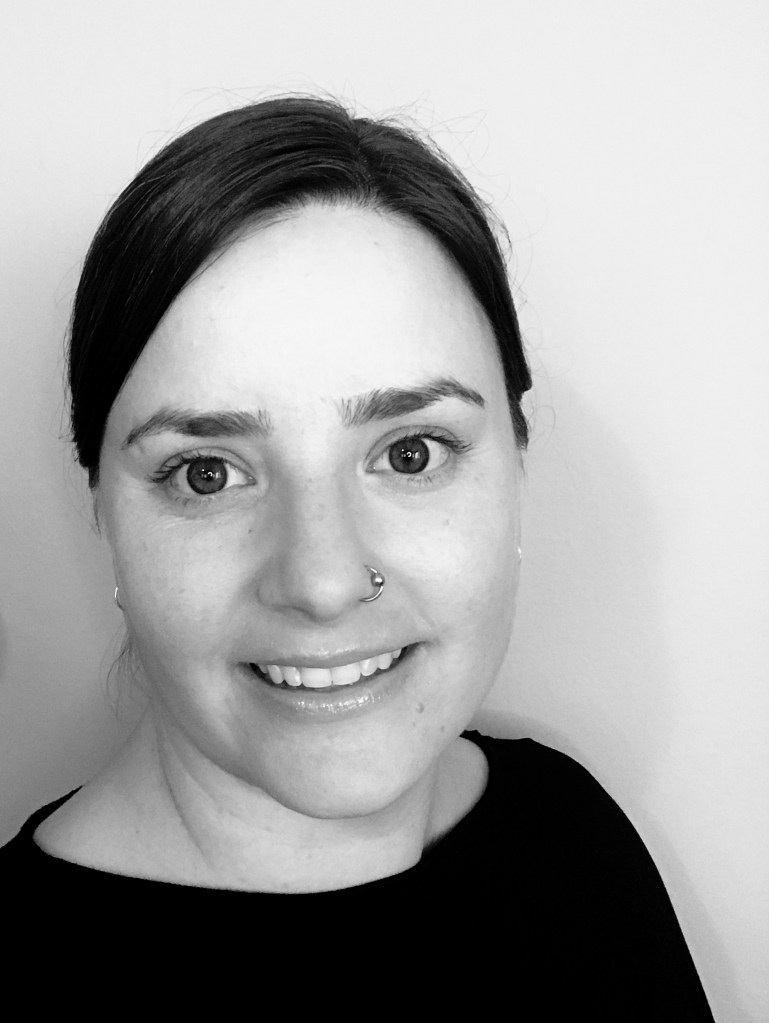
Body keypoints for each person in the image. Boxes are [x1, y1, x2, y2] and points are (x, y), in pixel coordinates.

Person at [1, 95, 713, 1016]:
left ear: (516, 465)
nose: (324, 582)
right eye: (208, 473)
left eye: (409, 454)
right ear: (101, 509)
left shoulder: (568, 832)